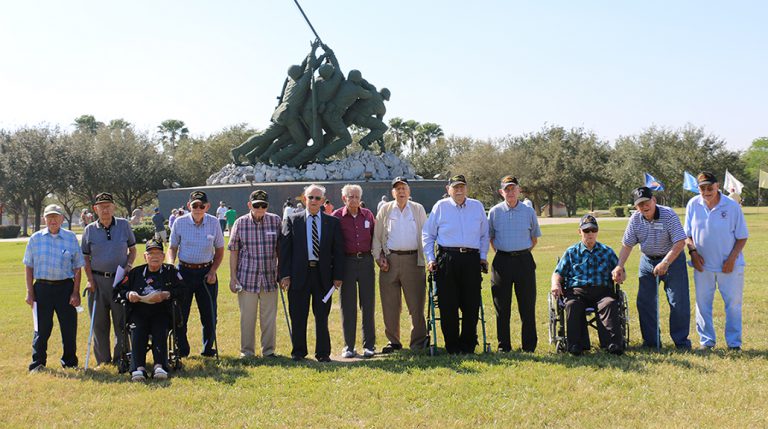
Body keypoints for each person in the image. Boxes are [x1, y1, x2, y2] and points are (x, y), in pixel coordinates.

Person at [612, 186, 691, 349]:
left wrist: (666, 262)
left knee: (678, 301)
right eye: (640, 204)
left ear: (654, 200)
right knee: (645, 302)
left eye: (647, 202)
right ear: (636, 207)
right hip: (647, 262)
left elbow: (680, 242)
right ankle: (651, 342)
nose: (644, 207)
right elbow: (627, 245)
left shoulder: (668, 215)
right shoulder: (635, 219)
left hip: (673, 260)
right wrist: (619, 266)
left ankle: (681, 342)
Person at [422, 175, 490, 354]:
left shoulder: (477, 206)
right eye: (455, 187)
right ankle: (452, 346)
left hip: (471, 259)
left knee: (471, 304)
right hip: (447, 259)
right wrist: (430, 259)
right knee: (448, 304)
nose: (459, 190)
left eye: (462, 187)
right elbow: (428, 235)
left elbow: (484, 234)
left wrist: (483, 257)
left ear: (466, 188)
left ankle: (468, 345)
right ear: (448, 189)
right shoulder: (440, 207)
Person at [279, 184, 345, 362]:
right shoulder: (293, 220)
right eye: (310, 197)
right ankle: (298, 352)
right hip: (298, 274)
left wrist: (338, 276)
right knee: (298, 315)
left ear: (323, 201)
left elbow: (338, 251)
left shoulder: (332, 222)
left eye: (317, 198)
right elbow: (284, 250)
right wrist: (284, 275)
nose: (314, 201)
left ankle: (323, 353)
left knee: (322, 316)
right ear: (304, 198)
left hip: (323, 276)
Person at [684, 172, 748, 350]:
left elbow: (742, 237)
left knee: (733, 305)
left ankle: (734, 344)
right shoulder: (692, 204)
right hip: (702, 266)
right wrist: (693, 253)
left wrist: (732, 259)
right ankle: (707, 342)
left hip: (730, 266)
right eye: (702, 188)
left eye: (709, 188)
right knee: (702, 305)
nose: (706, 191)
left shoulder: (732, 206)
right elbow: (687, 235)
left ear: (717, 186)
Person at [23, 204, 85, 372]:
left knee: (69, 328)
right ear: (44, 219)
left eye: (55, 217)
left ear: (62, 219)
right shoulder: (35, 239)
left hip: (65, 288)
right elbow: (28, 266)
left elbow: (78, 267)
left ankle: (70, 362)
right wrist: (30, 292)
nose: (52, 220)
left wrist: (75, 292)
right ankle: (38, 363)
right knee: (42, 329)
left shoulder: (71, 238)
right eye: (49, 217)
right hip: (42, 289)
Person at [551, 215, 624, 356]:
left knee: (609, 303)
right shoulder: (571, 252)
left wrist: (620, 274)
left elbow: (621, 271)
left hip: (602, 292)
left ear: (597, 231)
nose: (590, 233)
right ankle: (575, 345)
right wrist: (555, 284)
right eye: (586, 231)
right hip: (577, 291)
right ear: (580, 232)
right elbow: (558, 272)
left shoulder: (607, 252)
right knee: (572, 305)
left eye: (593, 230)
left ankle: (613, 345)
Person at [115, 239, 185, 381]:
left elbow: (183, 289)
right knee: (138, 330)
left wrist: (167, 294)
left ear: (163, 256)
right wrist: (129, 294)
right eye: (151, 253)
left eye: (158, 253)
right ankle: (138, 368)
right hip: (139, 311)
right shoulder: (135, 273)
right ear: (145, 257)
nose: (154, 256)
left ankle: (160, 366)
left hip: (162, 311)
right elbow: (119, 291)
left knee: (160, 328)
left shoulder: (171, 272)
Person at [373, 177, 429, 352]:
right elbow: (377, 237)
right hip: (390, 261)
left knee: (416, 304)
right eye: (397, 189)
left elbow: (426, 235)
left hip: (414, 261)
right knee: (390, 305)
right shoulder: (386, 209)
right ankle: (394, 341)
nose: (401, 192)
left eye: (404, 188)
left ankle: (418, 342)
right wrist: (378, 257)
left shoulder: (418, 209)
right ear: (393, 193)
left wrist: (428, 258)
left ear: (409, 191)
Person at [81, 192, 137, 366]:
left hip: (119, 281)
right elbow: (85, 258)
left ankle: (121, 357)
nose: (105, 209)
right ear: (95, 209)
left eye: (108, 206)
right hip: (97, 282)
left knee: (121, 321)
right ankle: (103, 361)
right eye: (101, 206)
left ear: (113, 207)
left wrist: (128, 268)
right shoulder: (89, 230)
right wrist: (90, 280)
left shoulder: (124, 225)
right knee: (99, 323)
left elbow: (133, 250)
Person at [167, 190, 225, 357]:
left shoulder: (214, 223)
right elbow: (172, 248)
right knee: (180, 314)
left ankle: (208, 349)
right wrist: (171, 266)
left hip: (206, 273)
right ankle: (182, 349)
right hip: (183, 272)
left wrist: (213, 271)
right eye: (195, 205)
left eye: (202, 205)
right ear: (189, 206)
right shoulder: (179, 222)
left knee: (209, 314)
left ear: (207, 207)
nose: (198, 208)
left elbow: (220, 250)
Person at [487, 176, 541, 352]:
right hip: (502, 261)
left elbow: (534, 238)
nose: (510, 192)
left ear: (519, 190)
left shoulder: (528, 211)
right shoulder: (494, 212)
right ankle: (504, 346)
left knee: (527, 305)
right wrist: (505, 252)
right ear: (501, 192)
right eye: (507, 189)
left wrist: (520, 252)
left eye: (513, 188)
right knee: (502, 307)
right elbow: (491, 238)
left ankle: (529, 346)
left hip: (524, 261)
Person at [228, 190, 281, 358]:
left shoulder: (276, 221)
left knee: (269, 318)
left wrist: (282, 272)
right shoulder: (240, 223)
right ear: (249, 205)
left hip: (270, 277)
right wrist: (233, 277)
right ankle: (247, 352)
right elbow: (234, 251)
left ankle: (269, 351)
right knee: (247, 318)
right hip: (246, 277)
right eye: (256, 205)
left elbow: (281, 249)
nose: (260, 208)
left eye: (263, 205)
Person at [332, 184, 376, 358]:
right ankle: (349, 346)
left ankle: (369, 345)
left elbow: (375, 237)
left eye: (357, 197)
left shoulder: (368, 215)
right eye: (351, 197)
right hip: (347, 263)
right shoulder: (336, 216)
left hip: (365, 261)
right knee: (348, 305)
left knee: (368, 304)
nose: (354, 200)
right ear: (344, 199)